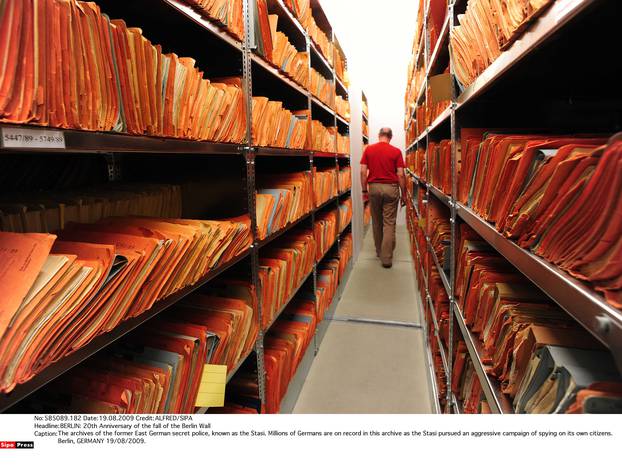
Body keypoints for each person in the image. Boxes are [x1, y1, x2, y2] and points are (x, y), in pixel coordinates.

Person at [360, 127, 406, 268]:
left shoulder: (368, 150)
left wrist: (364, 190)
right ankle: (386, 258)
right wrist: (403, 193)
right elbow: (400, 174)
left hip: (373, 188)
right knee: (389, 223)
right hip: (391, 188)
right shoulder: (396, 151)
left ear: (379, 135)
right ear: (390, 137)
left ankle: (379, 251)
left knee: (377, 222)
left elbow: (362, 172)